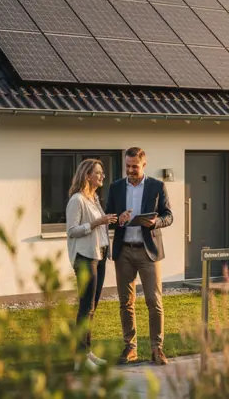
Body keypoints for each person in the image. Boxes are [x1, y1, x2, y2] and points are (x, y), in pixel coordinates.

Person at [105, 147, 173, 365]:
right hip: (123, 250)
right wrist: (119, 219)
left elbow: (169, 215)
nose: (130, 170)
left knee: (154, 301)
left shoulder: (157, 186)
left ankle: (157, 349)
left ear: (144, 164)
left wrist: (156, 222)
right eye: (127, 166)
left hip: (148, 251)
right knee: (126, 302)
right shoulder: (115, 187)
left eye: (134, 166)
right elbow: (109, 217)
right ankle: (130, 348)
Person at [65, 158, 117, 371]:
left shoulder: (94, 198)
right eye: (98, 172)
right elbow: (72, 231)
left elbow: (100, 226)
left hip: (99, 255)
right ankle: (79, 358)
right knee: (86, 307)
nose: (102, 176)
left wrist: (112, 219)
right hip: (85, 257)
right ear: (87, 175)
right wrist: (98, 222)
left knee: (92, 307)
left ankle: (87, 352)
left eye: (102, 172)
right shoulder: (77, 200)